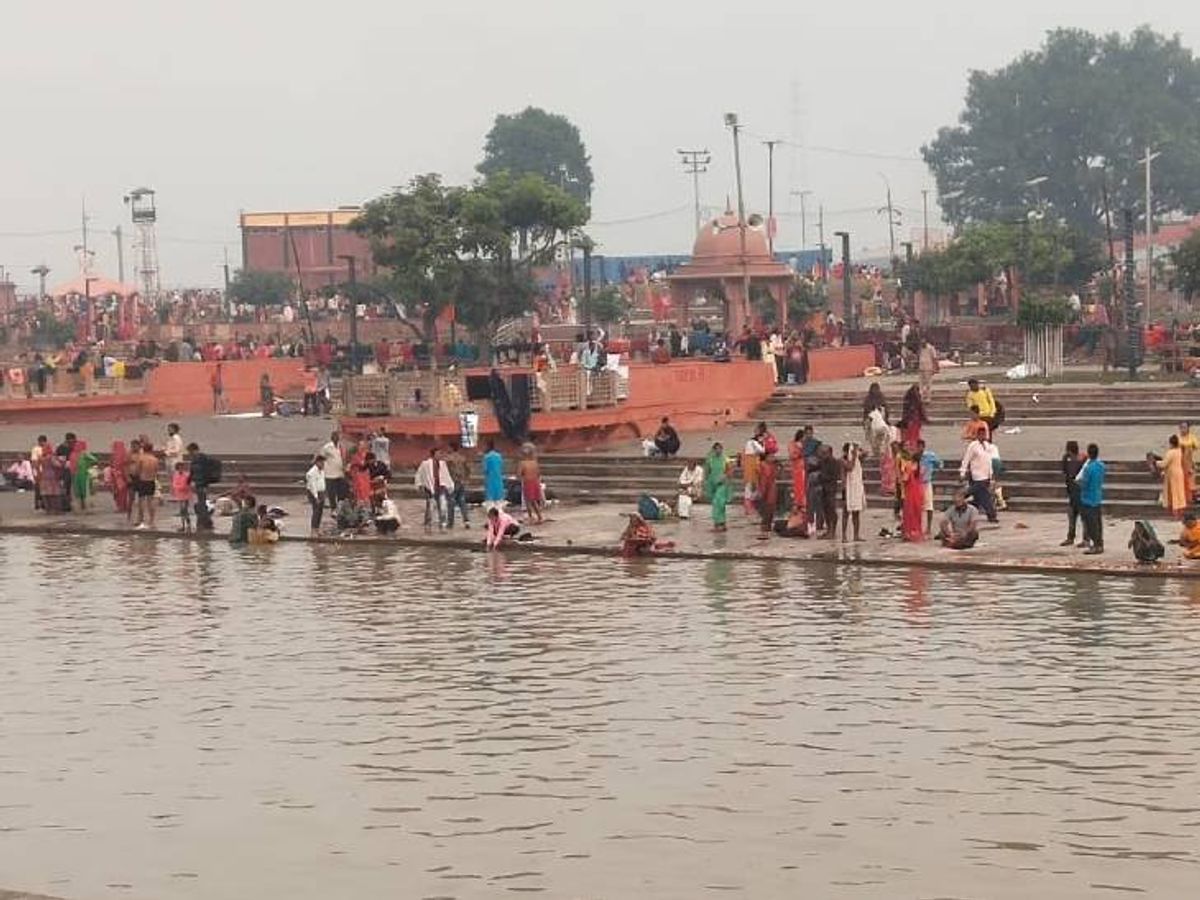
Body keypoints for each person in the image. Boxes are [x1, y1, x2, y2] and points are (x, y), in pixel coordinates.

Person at [959, 433, 998, 523]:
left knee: (980, 497)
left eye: (984, 435)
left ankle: (959, 505)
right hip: (977, 476)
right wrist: (962, 472)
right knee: (984, 496)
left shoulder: (987, 446)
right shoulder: (973, 446)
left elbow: (989, 461)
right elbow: (966, 459)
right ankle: (991, 515)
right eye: (981, 434)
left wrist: (991, 474)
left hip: (985, 476)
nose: (983, 436)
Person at [1077, 443, 1106, 555]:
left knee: (1091, 524)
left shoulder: (1088, 468)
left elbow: (1084, 484)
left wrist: (1078, 483)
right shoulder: (1101, 466)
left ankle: (1096, 545)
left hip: (1088, 499)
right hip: (1097, 497)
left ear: (1089, 454)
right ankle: (1100, 543)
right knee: (1098, 523)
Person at [415, 447, 454, 530]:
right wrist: (420, 484)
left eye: (440, 453)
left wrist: (449, 485)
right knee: (430, 507)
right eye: (438, 453)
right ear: (433, 454)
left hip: (441, 487)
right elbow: (419, 474)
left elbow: (446, 475)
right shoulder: (425, 464)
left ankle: (442, 524)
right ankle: (428, 523)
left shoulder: (442, 464)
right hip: (430, 488)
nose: (440, 455)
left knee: (443, 506)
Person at [1157, 434, 1188, 518]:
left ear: (1171, 443)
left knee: (1173, 492)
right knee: (1180, 492)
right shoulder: (1179, 451)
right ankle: (1181, 510)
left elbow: (1164, 464)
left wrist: (1156, 462)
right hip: (1179, 472)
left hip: (1172, 474)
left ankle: (1175, 512)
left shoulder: (1171, 452)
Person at [1061, 440, 1085, 547]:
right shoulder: (1069, 459)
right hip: (1073, 492)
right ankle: (1071, 537)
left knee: (1082, 517)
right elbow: (1065, 472)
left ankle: (1084, 539)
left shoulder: (1080, 460)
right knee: (1072, 516)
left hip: (1079, 492)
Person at [916, 440, 942, 536]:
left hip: (926, 483)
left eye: (921, 447)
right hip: (917, 484)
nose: (919, 449)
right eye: (918, 447)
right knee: (917, 506)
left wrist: (938, 469)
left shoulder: (930, 456)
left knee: (929, 506)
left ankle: (929, 527)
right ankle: (918, 526)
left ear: (923, 447)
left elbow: (939, 463)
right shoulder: (914, 457)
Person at [841, 443, 866, 542]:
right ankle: (844, 536)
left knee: (856, 513)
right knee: (846, 512)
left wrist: (860, 451)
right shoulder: (843, 460)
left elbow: (865, 454)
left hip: (856, 488)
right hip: (847, 489)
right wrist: (854, 456)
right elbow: (850, 467)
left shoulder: (857, 459)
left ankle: (856, 535)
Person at [899, 447, 925, 542]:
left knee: (909, 513)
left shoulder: (909, 466)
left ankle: (908, 532)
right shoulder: (921, 467)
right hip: (918, 492)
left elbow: (905, 479)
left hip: (910, 492)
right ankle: (916, 531)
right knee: (917, 512)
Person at [704, 442, 731, 531]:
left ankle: (720, 523)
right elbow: (707, 471)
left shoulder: (725, 459)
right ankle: (719, 523)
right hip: (712, 484)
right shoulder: (710, 459)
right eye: (716, 449)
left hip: (722, 484)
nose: (718, 450)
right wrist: (707, 482)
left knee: (719, 503)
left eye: (720, 449)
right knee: (715, 503)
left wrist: (724, 477)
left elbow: (729, 471)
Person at [133, 440, 159, 529]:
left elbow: (137, 471)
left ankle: (140, 519)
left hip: (142, 480)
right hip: (151, 480)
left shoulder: (141, 458)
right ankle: (152, 520)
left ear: (143, 449)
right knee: (150, 501)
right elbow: (156, 471)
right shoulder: (155, 459)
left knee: (141, 501)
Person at [817, 444, 841, 540]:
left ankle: (832, 531)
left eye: (824, 453)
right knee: (825, 510)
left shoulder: (834, 462)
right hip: (823, 488)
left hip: (831, 488)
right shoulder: (822, 461)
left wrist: (821, 477)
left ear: (830, 453)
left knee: (831, 509)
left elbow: (835, 476)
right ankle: (828, 530)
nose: (822, 455)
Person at [445, 441, 471, 528]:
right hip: (461, 482)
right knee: (462, 501)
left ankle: (450, 522)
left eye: (448, 447)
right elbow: (468, 469)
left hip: (452, 482)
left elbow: (446, 471)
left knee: (451, 502)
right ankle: (466, 520)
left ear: (451, 448)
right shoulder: (462, 458)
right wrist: (466, 479)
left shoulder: (448, 459)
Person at [516, 447, 544, 524]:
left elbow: (519, 474)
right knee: (533, 501)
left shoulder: (522, 463)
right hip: (535, 482)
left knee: (528, 501)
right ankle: (539, 516)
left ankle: (531, 517)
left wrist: (520, 477)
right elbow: (538, 473)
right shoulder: (535, 462)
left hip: (528, 482)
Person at [320, 432, 347, 509]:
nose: (336, 438)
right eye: (334, 437)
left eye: (337, 437)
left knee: (341, 493)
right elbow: (321, 458)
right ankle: (333, 509)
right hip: (330, 475)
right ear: (332, 438)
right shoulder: (327, 447)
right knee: (331, 494)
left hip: (340, 474)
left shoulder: (341, 447)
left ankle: (340, 509)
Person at [756, 452, 778, 540]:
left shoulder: (773, 465)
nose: (773, 458)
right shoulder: (763, 466)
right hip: (765, 489)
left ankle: (767, 528)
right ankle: (764, 530)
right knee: (766, 511)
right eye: (771, 456)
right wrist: (762, 492)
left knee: (770, 510)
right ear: (766, 457)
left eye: (773, 456)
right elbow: (763, 480)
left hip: (772, 489)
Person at [898, 383, 928, 450]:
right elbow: (921, 409)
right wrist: (925, 418)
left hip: (909, 421)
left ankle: (910, 447)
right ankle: (913, 447)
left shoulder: (907, 399)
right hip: (915, 420)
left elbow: (904, 411)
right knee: (914, 435)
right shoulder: (917, 399)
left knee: (909, 435)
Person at [787, 428, 808, 522]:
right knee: (798, 487)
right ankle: (799, 504)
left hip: (803, 468)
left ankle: (802, 505)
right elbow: (793, 455)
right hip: (797, 469)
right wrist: (800, 451)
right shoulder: (793, 444)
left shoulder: (804, 445)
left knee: (803, 487)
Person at [482, 440, 505, 511]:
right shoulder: (499, 456)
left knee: (490, 502)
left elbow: (485, 470)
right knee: (499, 501)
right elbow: (501, 467)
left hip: (490, 479)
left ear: (488, 446)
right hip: (498, 479)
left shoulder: (487, 457)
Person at [305, 455, 326, 533]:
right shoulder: (312, 472)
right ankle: (313, 528)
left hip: (321, 492)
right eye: (321, 462)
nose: (323, 464)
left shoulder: (322, 471)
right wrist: (316, 497)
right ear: (317, 462)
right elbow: (312, 485)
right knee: (316, 510)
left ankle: (317, 527)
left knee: (320, 511)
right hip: (314, 493)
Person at [1178, 422, 1198, 502]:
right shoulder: (1177, 437)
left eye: (1185, 427)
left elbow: (1196, 447)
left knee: (1190, 480)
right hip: (1179, 462)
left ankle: (1191, 496)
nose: (1183, 429)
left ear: (1188, 428)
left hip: (1189, 462)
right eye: (1181, 427)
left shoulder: (1192, 438)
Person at [171, 461, 193, 533]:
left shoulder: (187, 475)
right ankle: (183, 525)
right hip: (179, 494)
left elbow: (187, 485)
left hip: (186, 495)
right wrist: (178, 487)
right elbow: (174, 484)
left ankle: (188, 525)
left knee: (184, 510)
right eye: (179, 468)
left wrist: (181, 487)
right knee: (182, 510)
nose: (180, 469)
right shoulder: (175, 475)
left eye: (182, 468)